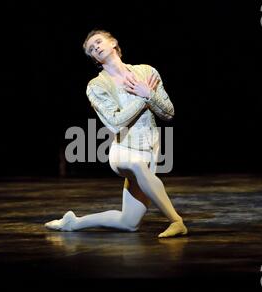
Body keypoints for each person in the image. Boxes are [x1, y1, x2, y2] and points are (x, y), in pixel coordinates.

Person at [45, 30, 187, 238]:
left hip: (151, 150)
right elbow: (115, 123)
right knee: (136, 165)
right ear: (93, 58)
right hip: (123, 150)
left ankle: (73, 223)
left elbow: (168, 112)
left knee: (128, 223)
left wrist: (148, 93)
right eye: (91, 49)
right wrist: (143, 97)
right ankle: (177, 221)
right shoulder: (96, 86)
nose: (96, 48)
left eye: (99, 42)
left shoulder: (147, 72)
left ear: (113, 43)